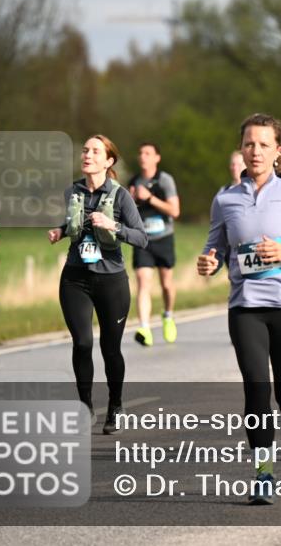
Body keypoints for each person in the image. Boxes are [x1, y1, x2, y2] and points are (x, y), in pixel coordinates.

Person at [197, 113, 281, 505]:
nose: (255, 151)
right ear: (242, 149)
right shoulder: (225, 199)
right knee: (256, 391)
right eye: (249, 144)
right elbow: (215, 249)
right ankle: (264, 473)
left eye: (264, 144)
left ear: (278, 151)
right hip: (246, 309)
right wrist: (208, 262)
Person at [48, 135, 148, 434]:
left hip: (111, 280)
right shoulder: (72, 192)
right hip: (75, 278)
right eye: (85, 150)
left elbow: (141, 237)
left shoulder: (120, 196)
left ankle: (115, 406)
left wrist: (113, 225)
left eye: (95, 151)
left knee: (110, 348)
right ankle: (85, 406)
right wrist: (61, 231)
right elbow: (75, 222)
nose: (87, 155)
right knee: (82, 343)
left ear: (108, 161)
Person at [128, 144, 181, 346]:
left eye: (148, 153)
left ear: (157, 158)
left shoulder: (165, 180)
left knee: (166, 284)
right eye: (140, 153)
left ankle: (168, 315)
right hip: (143, 240)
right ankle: (145, 328)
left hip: (164, 237)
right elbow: (127, 214)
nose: (143, 157)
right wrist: (131, 201)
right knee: (143, 282)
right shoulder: (134, 181)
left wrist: (149, 197)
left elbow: (175, 211)